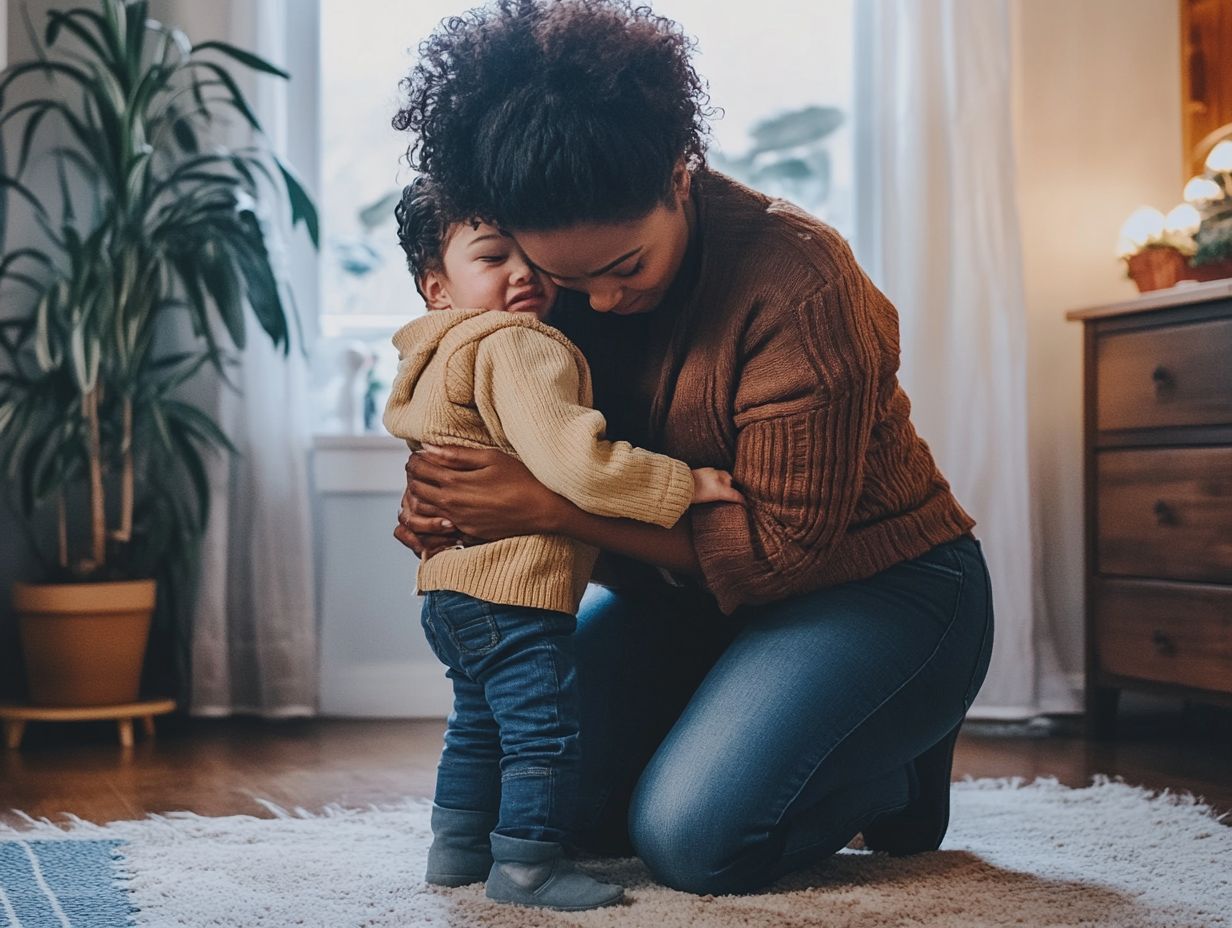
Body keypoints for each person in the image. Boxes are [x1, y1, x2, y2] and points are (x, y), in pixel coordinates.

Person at [392, 0, 995, 896]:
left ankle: (896, 770)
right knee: (562, 800)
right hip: (689, 595)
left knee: (692, 842)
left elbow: (782, 554)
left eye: (626, 267)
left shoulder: (799, 285)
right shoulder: (534, 302)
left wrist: (547, 509)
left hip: (880, 586)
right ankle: (778, 726)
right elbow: (522, 434)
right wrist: (450, 497)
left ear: (680, 177)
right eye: (566, 278)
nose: (597, 303)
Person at [384, 176, 742, 909]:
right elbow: (575, 460)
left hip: (449, 590)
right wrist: (683, 485)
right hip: (513, 590)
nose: (521, 272)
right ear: (437, 286)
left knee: (478, 725)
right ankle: (527, 869)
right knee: (542, 734)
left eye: (529, 255)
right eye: (492, 255)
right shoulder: (516, 344)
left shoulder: (429, 355)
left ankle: (455, 852)